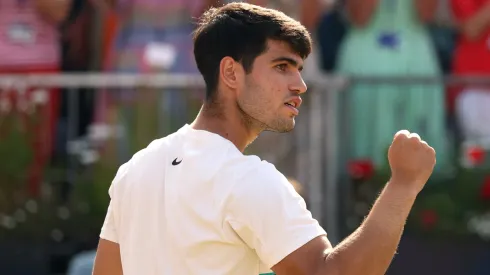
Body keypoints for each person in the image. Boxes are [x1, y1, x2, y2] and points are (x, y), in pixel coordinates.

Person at [93, 3, 436, 275]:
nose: (299, 84)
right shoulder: (246, 180)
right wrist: (403, 184)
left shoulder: (136, 168)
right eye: (282, 66)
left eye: (299, 69)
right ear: (230, 72)